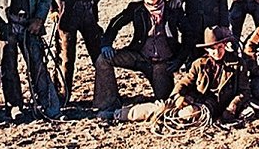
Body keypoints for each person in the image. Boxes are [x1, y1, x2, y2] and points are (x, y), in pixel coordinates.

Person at [104, 26, 250, 122]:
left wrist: (232, 107)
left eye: (219, 47)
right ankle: (119, 114)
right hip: (195, 99)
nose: (217, 52)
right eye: (212, 49)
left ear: (225, 46)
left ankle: (167, 117)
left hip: (213, 106)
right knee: (161, 107)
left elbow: (244, 91)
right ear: (207, 50)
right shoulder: (199, 64)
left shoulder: (237, 64)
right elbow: (184, 83)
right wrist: (179, 96)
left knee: (186, 114)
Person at [93, 0, 186, 109]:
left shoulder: (172, 10)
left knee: (164, 102)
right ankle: (107, 103)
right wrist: (106, 44)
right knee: (103, 59)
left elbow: (189, 35)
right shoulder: (136, 9)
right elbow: (115, 23)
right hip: (139, 57)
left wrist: (179, 59)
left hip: (162, 63)